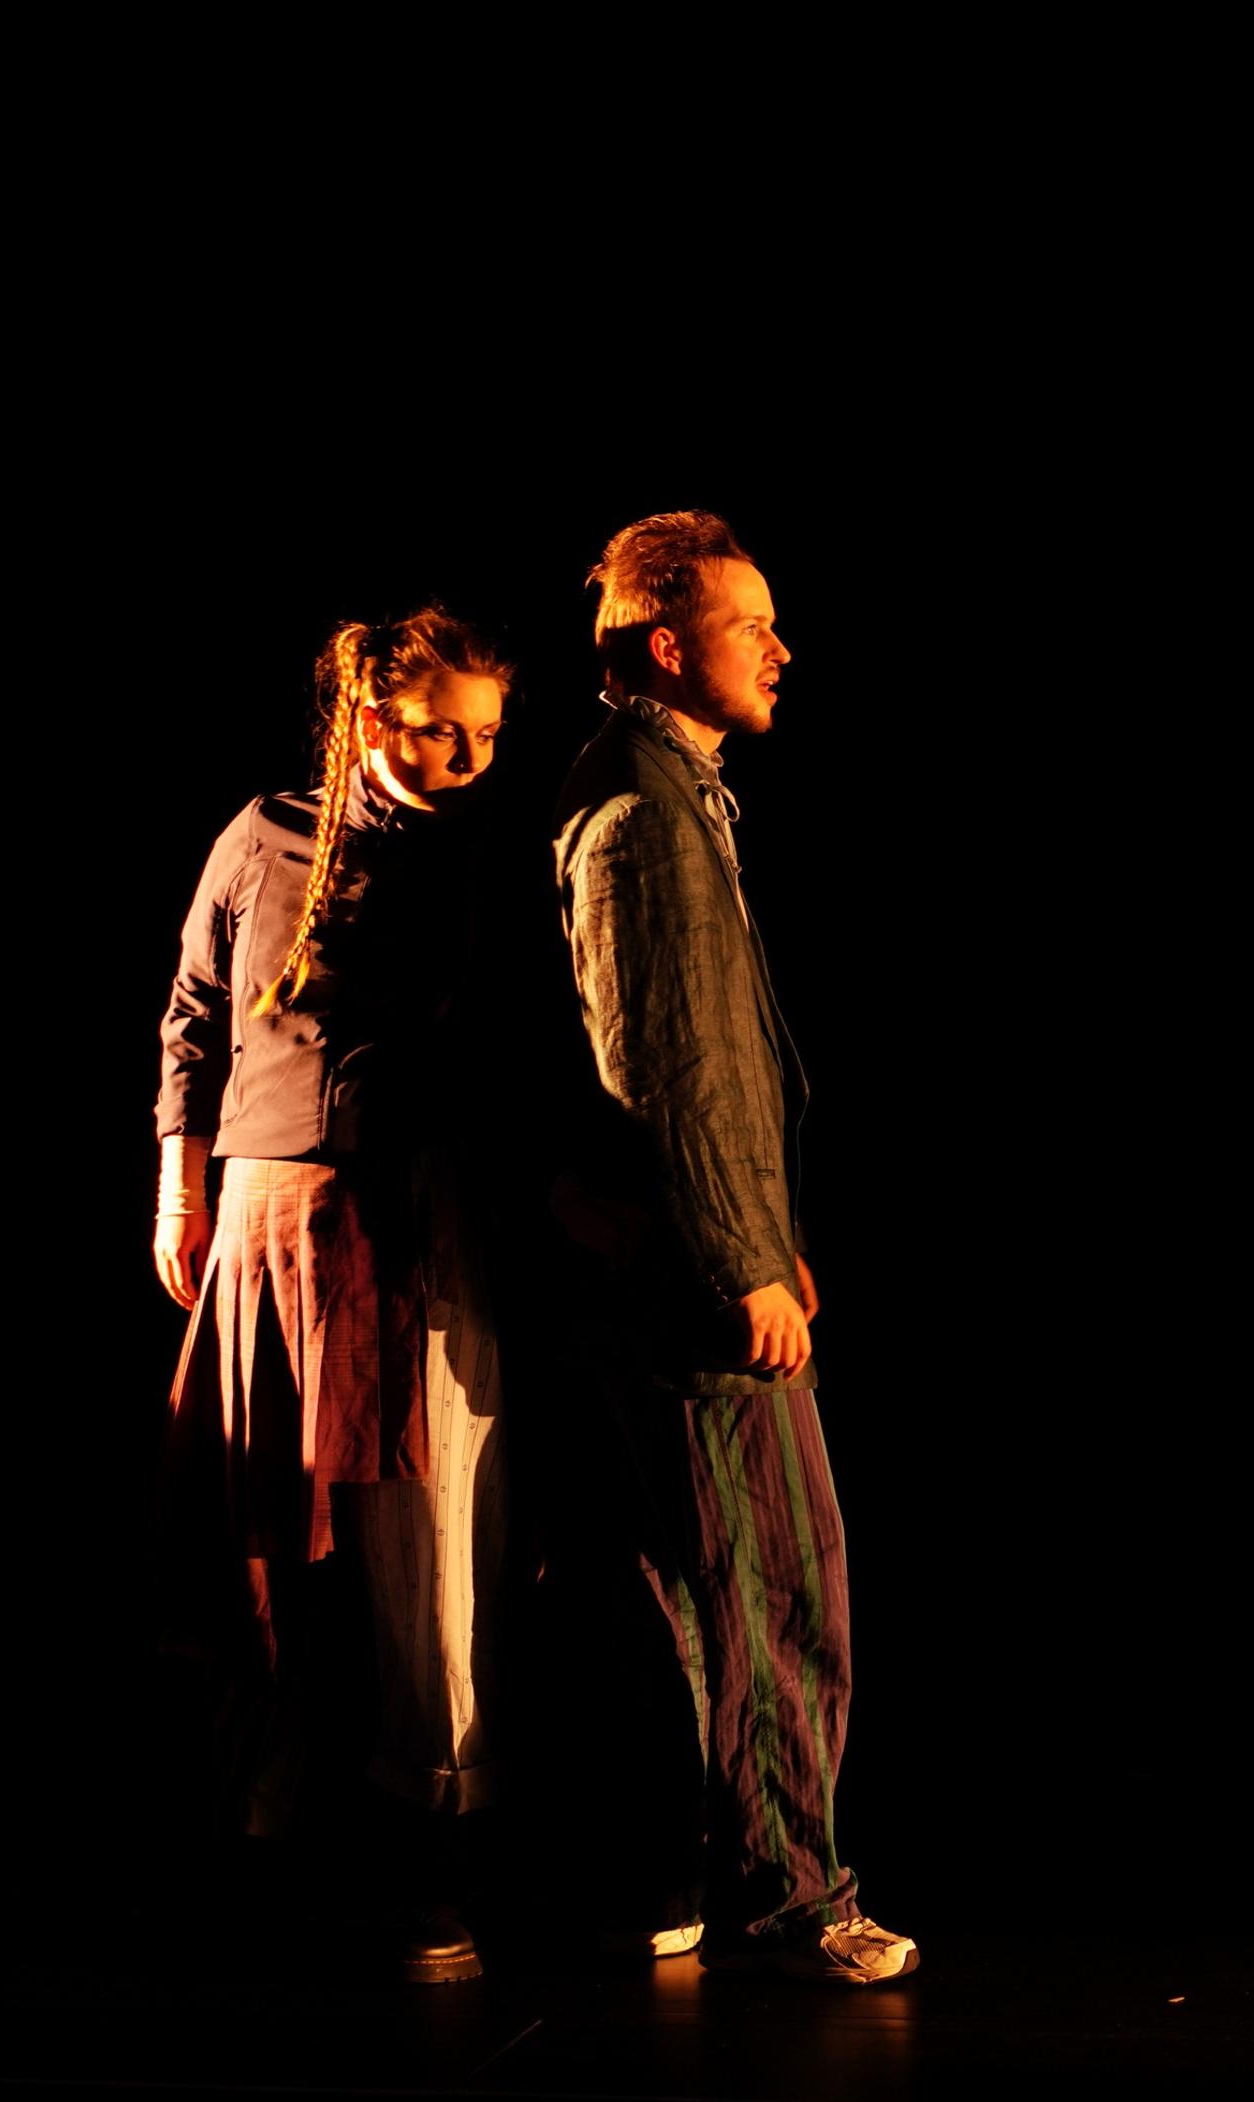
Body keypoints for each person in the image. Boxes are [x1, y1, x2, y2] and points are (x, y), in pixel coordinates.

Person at [547, 511, 917, 1985]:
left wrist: (774, 1237)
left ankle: (699, 1876)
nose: (781, 649)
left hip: (699, 1257)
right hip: (690, 1287)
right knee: (772, 1592)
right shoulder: (641, 812)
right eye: (749, 624)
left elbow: (713, 1057)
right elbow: (666, 1064)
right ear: (665, 643)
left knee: (710, 1593)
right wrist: (737, 1261)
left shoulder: (670, 791)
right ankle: (790, 1900)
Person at [150, 607, 521, 1982]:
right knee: (260, 1536)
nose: (468, 758)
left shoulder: (483, 854)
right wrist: (181, 1186)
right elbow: (194, 1013)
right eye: (441, 731)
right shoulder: (265, 835)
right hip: (269, 1205)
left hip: (417, 1215)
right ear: (370, 717)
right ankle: (256, 1832)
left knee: (428, 1542)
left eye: (488, 735)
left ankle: (432, 1845)